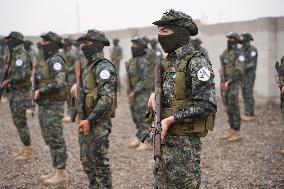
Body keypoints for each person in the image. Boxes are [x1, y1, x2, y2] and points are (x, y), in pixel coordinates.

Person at [148, 9, 217, 188]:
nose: (160, 36)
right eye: (159, 31)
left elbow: (206, 104)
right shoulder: (168, 62)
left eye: (164, 31)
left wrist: (172, 119)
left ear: (179, 33)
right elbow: (171, 94)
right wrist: (155, 96)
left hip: (184, 146)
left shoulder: (196, 62)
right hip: (165, 143)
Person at [74, 29, 117, 188]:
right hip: (84, 121)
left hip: (98, 123)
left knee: (100, 165)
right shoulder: (88, 66)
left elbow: (107, 97)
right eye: (82, 43)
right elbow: (88, 91)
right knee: (87, 162)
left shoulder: (103, 66)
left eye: (87, 42)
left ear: (98, 45)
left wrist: (89, 120)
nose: (83, 46)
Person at [35, 31, 68, 185]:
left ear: (54, 43)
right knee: (49, 138)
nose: (43, 44)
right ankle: (55, 169)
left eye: (46, 41)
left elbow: (60, 82)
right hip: (44, 105)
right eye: (42, 41)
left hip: (53, 105)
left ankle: (61, 173)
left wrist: (41, 91)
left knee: (56, 138)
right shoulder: (45, 60)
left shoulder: (55, 60)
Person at [2, 31, 33, 160]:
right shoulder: (13, 54)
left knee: (20, 121)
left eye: (10, 40)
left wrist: (8, 81)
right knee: (18, 121)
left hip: (20, 93)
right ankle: (25, 148)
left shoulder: (21, 55)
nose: (8, 42)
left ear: (16, 40)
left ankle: (28, 151)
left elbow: (22, 75)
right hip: (14, 93)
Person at [126, 37, 152, 151]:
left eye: (135, 45)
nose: (133, 47)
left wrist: (135, 91)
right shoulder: (133, 60)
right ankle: (140, 136)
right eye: (132, 45)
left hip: (142, 93)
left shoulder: (143, 60)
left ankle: (147, 141)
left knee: (143, 116)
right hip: (133, 93)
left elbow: (144, 79)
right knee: (135, 116)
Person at [220, 32, 244, 142]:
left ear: (235, 40)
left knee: (234, 107)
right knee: (228, 107)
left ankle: (237, 131)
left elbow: (239, 71)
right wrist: (222, 76)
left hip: (233, 83)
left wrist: (229, 81)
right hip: (224, 82)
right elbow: (224, 67)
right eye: (228, 38)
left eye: (231, 38)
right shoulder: (225, 52)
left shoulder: (239, 53)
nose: (229, 40)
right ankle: (231, 130)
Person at [239, 32, 258, 121]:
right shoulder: (241, 49)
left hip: (249, 75)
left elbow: (252, 63)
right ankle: (247, 112)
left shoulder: (252, 49)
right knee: (244, 94)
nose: (241, 38)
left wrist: (243, 67)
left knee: (249, 93)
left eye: (243, 37)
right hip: (242, 75)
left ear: (247, 38)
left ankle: (250, 114)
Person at [62, 37, 78, 122]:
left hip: (71, 76)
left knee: (71, 95)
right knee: (67, 95)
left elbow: (75, 64)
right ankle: (69, 112)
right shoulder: (64, 52)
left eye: (65, 42)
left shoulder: (72, 53)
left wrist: (67, 69)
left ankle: (72, 114)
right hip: (66, 76)